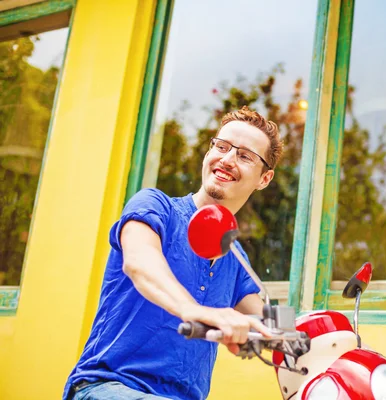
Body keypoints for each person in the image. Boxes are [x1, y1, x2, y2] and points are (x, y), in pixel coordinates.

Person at [63, 106, 284, 400]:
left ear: (264, 179)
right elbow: (140, 263)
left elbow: (273, 324)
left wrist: (329, 334)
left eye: (244, 156)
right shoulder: (155, 207)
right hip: (109, 387)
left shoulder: (235, 254)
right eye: (222, 147)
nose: (227, 159)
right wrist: (193, 309)